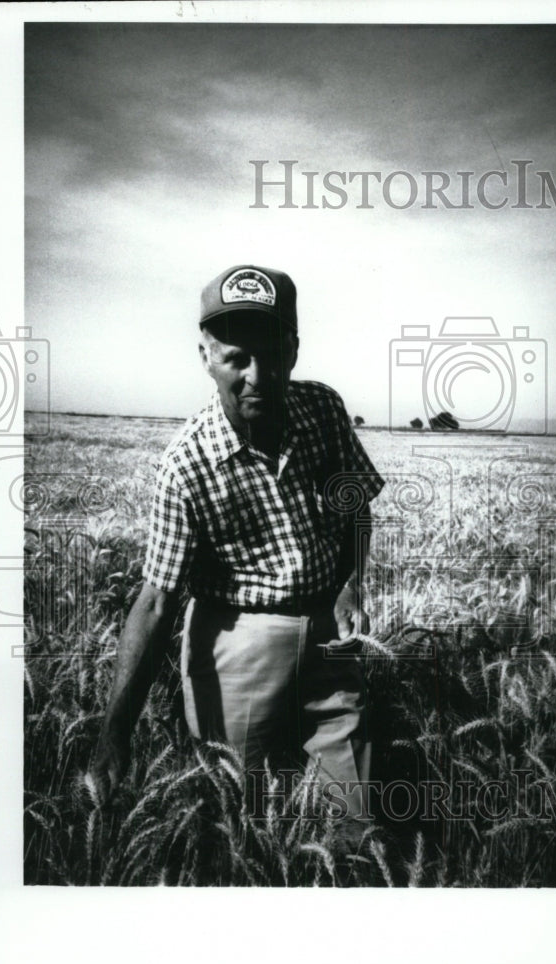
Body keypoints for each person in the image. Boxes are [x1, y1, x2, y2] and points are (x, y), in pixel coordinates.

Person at [90, 264, 385, 824]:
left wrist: (351, 582)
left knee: (356, 819)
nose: (255, 375)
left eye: (271, 356)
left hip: (330, 636)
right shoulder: (185, 465)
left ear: (294, 350)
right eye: (236, 359)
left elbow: (354, 506)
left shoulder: (322, 409)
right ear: (206, 356)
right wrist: (114, 734)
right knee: (235, 817)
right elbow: (156, 600)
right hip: (236, 647)